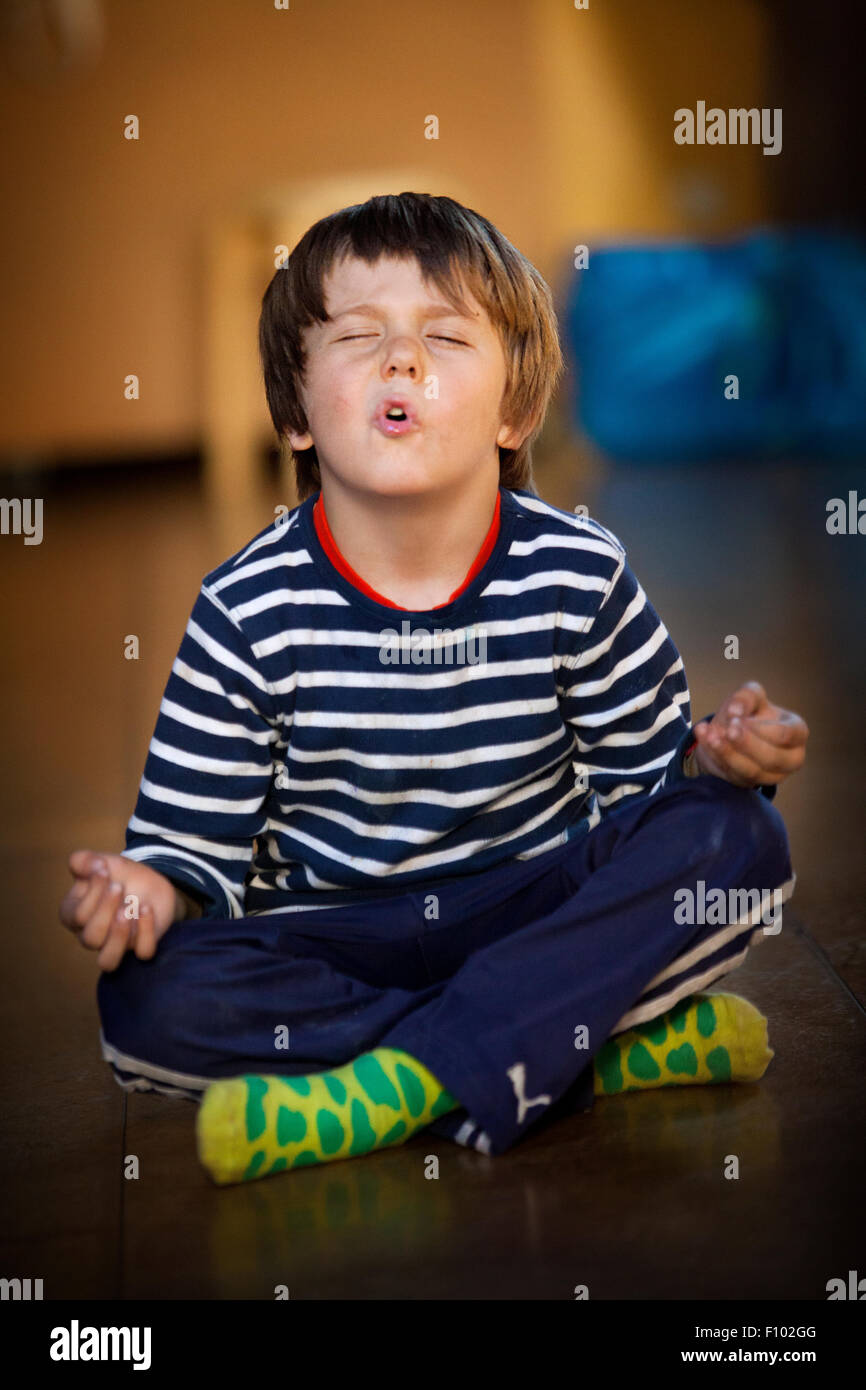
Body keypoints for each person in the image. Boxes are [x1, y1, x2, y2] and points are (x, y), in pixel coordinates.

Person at [59, 192, 808, 1186]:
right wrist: (145, 887)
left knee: (739, 838)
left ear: (515, 409)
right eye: (359, 335)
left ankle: (391, 1083)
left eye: (443, 337)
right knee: (144, 998)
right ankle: (572, 1057)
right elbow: (190, 847)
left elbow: (646, 795)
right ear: (293, 412)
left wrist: (713, 760)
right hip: (332, 941)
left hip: (530, 912)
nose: (399, 361)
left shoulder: (574, 574)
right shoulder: (245, 608)